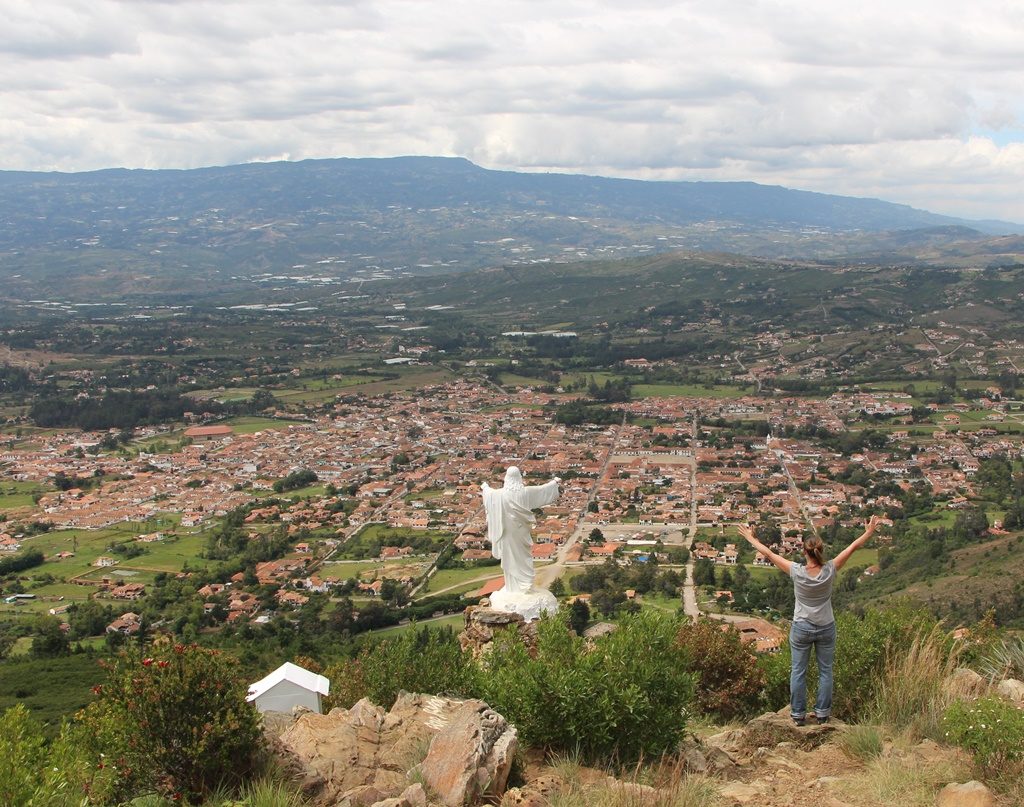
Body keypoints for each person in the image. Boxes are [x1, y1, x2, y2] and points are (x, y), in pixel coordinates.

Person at [737, 515, 883, 725]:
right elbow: (851, 548)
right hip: (825, 626)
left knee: (798, 671)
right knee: (826, 671)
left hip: (802, 627)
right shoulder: (830, 570)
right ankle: (822, 714)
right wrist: (868, 532)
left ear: (804, 551)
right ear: (821, 551)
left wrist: (750, 538)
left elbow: (768, 553)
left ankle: (798, 715)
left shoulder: (796, 572)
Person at [481, 466, 560, 596]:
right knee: (523, 556)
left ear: (506, 478)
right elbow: (543, 490)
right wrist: (554, 483)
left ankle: (514, 586)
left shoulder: (499, 494)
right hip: (521, 532)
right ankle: (525, 583)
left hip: (506, 532)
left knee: (509, 556)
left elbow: (489, 494)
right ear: (519, 478)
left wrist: (484, 487)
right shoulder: (526, 492)